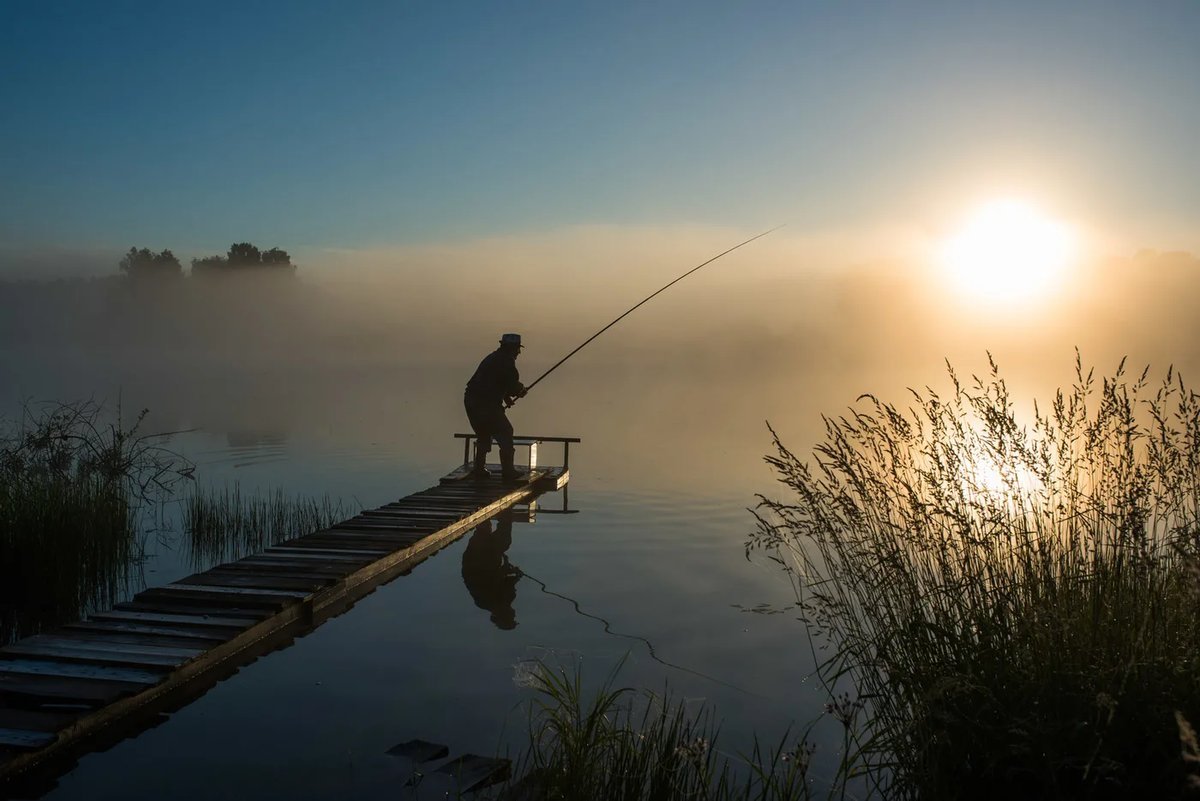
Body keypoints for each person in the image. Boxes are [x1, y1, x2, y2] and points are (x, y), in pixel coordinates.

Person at [464, 332, 527, 481]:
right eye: (518, 349)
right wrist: (521, 390)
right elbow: (512, 386)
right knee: (506, 431)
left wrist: (505, 397)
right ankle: (508, 471)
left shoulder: (492, 358)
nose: (518, 353)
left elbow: (495, 381)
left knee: (483, 433)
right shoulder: (507, 362)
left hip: (471, 401)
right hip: (485, 403)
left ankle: (479, 469)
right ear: (512, 349)